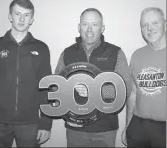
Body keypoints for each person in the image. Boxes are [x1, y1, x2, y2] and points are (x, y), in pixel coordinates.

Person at [55, 8, 132, 147]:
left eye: (95, 25)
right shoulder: (67, 53)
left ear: (102, 28)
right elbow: (56, 87)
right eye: (85, 24)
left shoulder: (116, 52)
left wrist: (95, 92)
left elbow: (126, 87)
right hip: (75, 128)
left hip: (105, 129)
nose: (89, 30)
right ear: (79, 27)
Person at [0, 0, 52, 147]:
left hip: (30, 123)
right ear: (10, 16)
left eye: (26, 15)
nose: (21, 19)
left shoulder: (41, 48)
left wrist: (46, 123)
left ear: (32, 19)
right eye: (17, 13)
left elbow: (47, 87)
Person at [122, 7, 166, 148]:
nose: (150, 28)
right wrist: (128, 126)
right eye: (144, 25)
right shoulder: (137, 55)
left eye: (155, 23)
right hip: (138, 126)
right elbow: (133, 94)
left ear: (164, 23)